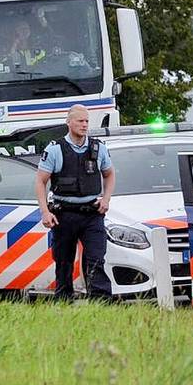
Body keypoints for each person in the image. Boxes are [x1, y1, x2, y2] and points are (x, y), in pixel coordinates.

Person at [35, 104, 116, 302]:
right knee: (63, 262)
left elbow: (109, 174)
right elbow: (40, 181)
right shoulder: (55, 149)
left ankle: (101, 301)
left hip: (92, 214)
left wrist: (106, 199)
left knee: (96, 259)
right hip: (65, 214)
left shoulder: (98, 147)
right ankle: (64, 299)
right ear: (69, 122)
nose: (84, 125)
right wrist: (45, 212)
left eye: (87, 121)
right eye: (80, 121)